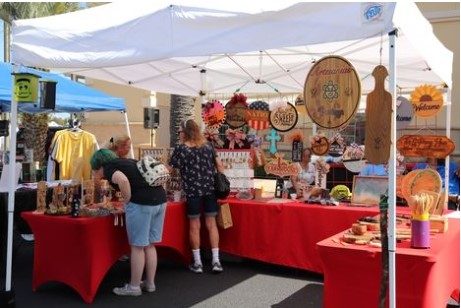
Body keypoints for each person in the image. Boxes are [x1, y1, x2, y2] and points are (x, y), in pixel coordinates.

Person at [90, 149, 167, 296]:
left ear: (99, 166)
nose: (95, 174)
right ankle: (150, 283)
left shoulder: (109, 168)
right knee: (150, 245)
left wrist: (127, 201)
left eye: (94, 170)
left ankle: (134, 287)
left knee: (137, 247)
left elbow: (123, 180)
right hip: (160, 201)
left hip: (142, 204)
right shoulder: (127, 161)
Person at [169, 119, 224, 274]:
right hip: (209, 190)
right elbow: (220, 166)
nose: (179, 134)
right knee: (211, 224)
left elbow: (170, 169)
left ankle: (198, 263)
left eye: (180, 131)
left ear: (185, 132)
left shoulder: (181, 149)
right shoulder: (209, 146)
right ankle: (216, 261)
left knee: (194, 225)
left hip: (192, 191)